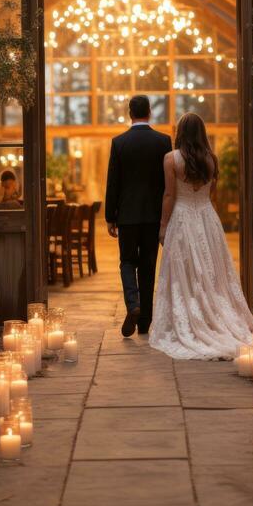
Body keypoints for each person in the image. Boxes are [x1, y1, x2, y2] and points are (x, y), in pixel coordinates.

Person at [149, 112, 253, 360]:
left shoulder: (171, 159)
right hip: (208, 218)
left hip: (182, 218)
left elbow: (169, 195)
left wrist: (163, 226)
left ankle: (192, 316)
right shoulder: (212, 159)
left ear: (180, 132)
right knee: (212, 271)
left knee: (184, 270)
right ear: (202, 133)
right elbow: (212, 195)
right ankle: (214, 313)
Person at [105, 94, 172, 337]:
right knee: (148, 265)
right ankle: (145, 322)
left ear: (130, 113)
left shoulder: (119, 142)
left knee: (127, 262)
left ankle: (133, 304)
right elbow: (168, 183)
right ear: (149, 112)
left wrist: (109, 216)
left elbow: (113, 182)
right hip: (153, 215)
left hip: (128, 215)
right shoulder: (163, 142)